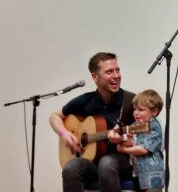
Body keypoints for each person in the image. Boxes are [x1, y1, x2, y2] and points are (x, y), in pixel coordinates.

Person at [49, 52, 136, 192]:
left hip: (122, 162)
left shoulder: (131, 101)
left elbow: (148, 133)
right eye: (109, 72)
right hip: (93, 163)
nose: (116, 76)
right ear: (95, 77)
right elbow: (54, 117)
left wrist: (127, 139)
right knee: (71, 167)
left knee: (106, 163)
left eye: (117, 70)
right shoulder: (86, 100)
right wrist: (64, 134)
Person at [117, 89, 165, 192]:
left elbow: (144, 149)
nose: (136, 113)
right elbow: (131, 141)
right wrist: (123, 137)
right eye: (135, 109)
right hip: (140, 174)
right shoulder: (136, 125)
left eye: (141, 109)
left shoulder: (154, 125)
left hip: (153, 176)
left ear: (154, 112)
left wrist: (124, 149)